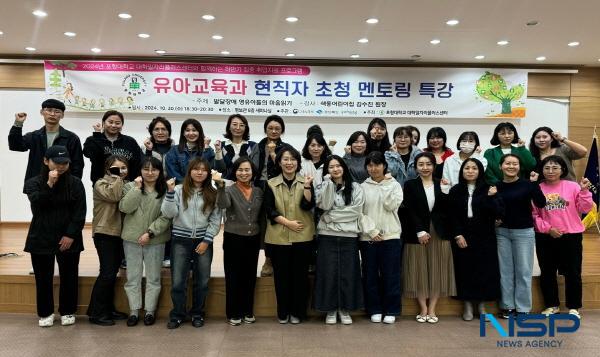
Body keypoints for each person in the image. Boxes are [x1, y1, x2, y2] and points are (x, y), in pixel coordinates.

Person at [24, 145, 86, 327]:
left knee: (69, 275)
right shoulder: (34, 182)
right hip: (42, 235)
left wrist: (70, 235)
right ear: (46, 161)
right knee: (43, 276)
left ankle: (67, 310)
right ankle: (45, 312)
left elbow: (80, 212)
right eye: (56, 163)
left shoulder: (75, 183)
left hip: (68, 237)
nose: (60, 167)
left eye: (64, 163)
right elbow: (38, 206)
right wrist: (49, 185)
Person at [161, 157, 221, 329]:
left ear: (208, 173)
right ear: (190, 171)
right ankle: (177, 314)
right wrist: (170, 192)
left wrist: (207, 240)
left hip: (203, 241)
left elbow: (216, 219)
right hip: (180, 240)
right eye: (196, 169)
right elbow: (169, 213)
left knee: (201, 281)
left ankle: (197, 314)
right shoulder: (179, 190)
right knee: (178, 281)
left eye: (203, 169)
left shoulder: (213, 192)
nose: (200, 172)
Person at [533, 155, 593, 319]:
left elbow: (585, 208)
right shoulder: (537, 188)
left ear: (562, 170)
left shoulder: (573, 186)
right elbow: (534, 215)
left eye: (555, 167)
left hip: (571, 236)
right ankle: (552, 305)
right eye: (547, 168)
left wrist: (585, 191)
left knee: (573, 272)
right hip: (546, 236)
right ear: (542, 170)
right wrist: (548, 229)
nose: (551, 171)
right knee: (547, 272)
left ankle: (574, 307)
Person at [264, 145, 315, 324]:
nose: (289, 163)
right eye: (285, 159)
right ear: (279, 162)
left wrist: (307, 187)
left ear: (298, 162)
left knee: (300, 278)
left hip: (303, 236)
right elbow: (269, 210)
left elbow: (307, 206)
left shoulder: (306, 181)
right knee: (281, 277)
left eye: (293, 159)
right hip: (278, 237)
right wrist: (288, 223)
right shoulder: (270, 183)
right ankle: (283, 312)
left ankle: (298, 313)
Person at [402, 152, 455, 324]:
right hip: (417, 232)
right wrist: (420, 231)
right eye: (421, 164)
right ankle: (422, 308)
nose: (425, 167)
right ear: (416, 167)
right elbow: (409, 210)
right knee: (418, 269)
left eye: (428, 164)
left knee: (437, 270)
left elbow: (447, 211)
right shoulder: (410, 185)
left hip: (439, 231)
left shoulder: (443, 183)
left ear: (434, 166)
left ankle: (432, 309)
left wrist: (446, 192)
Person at [448, 158, 502, 321]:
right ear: (462, 171)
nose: (470, 171)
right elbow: (451, 216)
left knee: (484, 270)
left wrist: (491, 197)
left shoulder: (489, 189)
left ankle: (482, 305)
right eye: (467, 168)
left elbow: (498, 213)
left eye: (474, 168)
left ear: (480, 171)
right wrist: (457, 235)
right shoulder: (456, 190)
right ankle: (467, 305)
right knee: (464, 270)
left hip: (484, 234)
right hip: (462, 234)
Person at [120, 156, 171, 327]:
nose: (150, 173)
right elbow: (125, 208)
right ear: (140, 170)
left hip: (155, 239)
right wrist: (136, 188)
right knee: (132, 277)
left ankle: (150, 311)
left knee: (154, 278)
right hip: (132, 238)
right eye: (146, 169)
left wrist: (150, 233)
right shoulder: (129, 186)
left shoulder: (165, 190)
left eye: (154, 169)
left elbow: (167, 216)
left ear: (160, 172)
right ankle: (134, 311)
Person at [314, 155, 364, 325]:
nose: (335, 169)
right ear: (326, 170)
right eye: (331, 167)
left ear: (344, 167)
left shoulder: (356, 187)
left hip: (349, 236)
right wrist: (328, 184)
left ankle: (345, 310)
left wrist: (330, 217)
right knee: (328, 274)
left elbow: (356, 211)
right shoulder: (323, 185)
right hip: (327, 236)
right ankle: (330, 310)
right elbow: (325, 206)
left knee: (348, 275)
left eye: (338, 166)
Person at [495, 153, 546, 318]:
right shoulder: (495, 186)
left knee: (523, 271)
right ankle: (508, 306)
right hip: (502, 232)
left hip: (524, 232)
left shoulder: (527, 184)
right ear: (500, 166)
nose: (511, 166)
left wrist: (535, 184)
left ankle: (523, 308)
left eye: (514, 164)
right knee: (505, 271)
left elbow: (541, 203)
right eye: (507, 163)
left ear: (519, 167)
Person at [214, 157, 263, 326]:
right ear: (235, 172)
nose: (244, 173)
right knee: (233, 276)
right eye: (240, 170)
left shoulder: (258, 191)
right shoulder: (228, 189)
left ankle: (247, 311)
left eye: (247, 170)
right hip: (233, 237)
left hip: (253, 238)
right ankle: (233, 312)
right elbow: (223, 205)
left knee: (249, 276)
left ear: (253, 172)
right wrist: (220, 189)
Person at [360, 151, 403, 324]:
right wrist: (371, 231)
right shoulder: (362, 187)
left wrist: (385, 184)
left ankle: (391, 310)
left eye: (377, 164)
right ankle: (374, 309)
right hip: (368, 237)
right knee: (370, 275)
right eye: (370, 165)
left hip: (391, 236)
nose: (374, 168)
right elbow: (358, 213)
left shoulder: (395, 185)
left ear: (384, 166)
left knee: (391, 275)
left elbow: (390, 205)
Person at [87, 155, 130, 326]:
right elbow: (113, 196)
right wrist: (117, 177)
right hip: (105, 232)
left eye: (124, 168)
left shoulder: (126, 184)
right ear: (107, 170)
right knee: (107, 273)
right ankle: (97, 313)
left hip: (120, 234)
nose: (121, 171)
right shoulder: (101, 184)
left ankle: (106, 308)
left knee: (111, 274)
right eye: (115, 168)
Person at [9, 99, 84, 190]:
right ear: (42, 112)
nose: (52, 114)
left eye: (57, 111)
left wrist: (74, 185)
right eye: (49, 110)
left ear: (62, 115)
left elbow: (78, 165)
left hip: (63, 185)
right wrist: (18, 123)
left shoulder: (71, 138)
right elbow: (15, 146)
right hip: (37, 184)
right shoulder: (34, 136)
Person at [254, 115, 289, 277]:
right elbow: (252, 169)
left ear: (282, 130)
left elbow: (288, 169)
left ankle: (271, 260)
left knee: (275, 223)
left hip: (278, 187)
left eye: (277, 128)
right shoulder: (258, 146)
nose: (274, 131)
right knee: (259, 223)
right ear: (265, 129)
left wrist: (275, 154)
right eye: (270, 128)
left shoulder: (286, 148)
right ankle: (264, 258)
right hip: (259, 187)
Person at [141, 116, 175, 268]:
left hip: (171, 189)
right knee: (153, 221)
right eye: (156, 129)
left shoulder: (176, 148)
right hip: (151, 189)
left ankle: (168, 254)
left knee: (170, 221)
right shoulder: (144, 147)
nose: (160, 132)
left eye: (164, 129)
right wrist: (148, 151)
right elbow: (142, 166)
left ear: (169, 132)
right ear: (151, 132)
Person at [83, 110, 142, 185]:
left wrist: (134, 182)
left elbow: (137, 163)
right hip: (102, 186)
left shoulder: (130, 141)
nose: (113, 125)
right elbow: (88, 154)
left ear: (122, 125)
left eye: (117, 123)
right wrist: (98, 136)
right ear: (103, 123)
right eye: (110, 122)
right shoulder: (93, 139)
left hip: (127, 185)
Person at [165, 118, 224, 184]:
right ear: (183, 133)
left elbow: (217, 170)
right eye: (187, 130)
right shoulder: (174, 151)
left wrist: (209, 149)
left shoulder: (207, 149)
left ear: (199, 132)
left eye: (194, 130)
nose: (191, 133)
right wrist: (188, 187)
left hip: (203, 189)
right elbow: (173, 173)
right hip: (181, 189)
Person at [220, 114, 258, 180]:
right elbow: (219, 168)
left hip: (247, 184)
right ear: (229, 127)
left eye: (242, 125)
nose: (238, 128)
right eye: (234, 124)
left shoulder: (253, 145)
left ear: (245, 128)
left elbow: (255, 168)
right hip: (227, 184)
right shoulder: (222, 145)